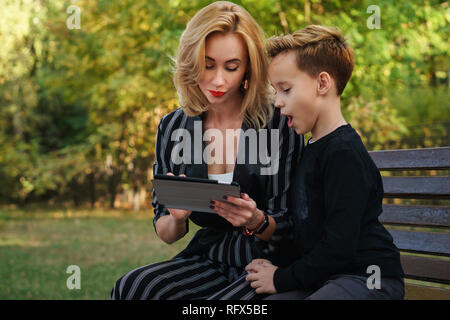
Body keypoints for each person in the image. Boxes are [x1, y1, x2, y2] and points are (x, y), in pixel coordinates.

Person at [110, 1, 301, 300]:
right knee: (133, 288)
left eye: (232, 67)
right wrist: (177, 217)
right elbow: (165, 231)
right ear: (190, 61)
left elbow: (291, 226)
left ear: (249, 67)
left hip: (265, 261)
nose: (218, 80)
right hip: (209, 256)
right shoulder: (173, 127)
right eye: (208, 65)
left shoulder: (277, 122)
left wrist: (256, 220)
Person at [245, 25, 405, 300]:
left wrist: (282, 278)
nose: (278, 103)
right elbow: (306, 230)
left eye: (285, 90)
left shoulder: (344, 153)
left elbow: (338, 246)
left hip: (368, 279)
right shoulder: (311, 150)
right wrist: (273, 262)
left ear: (322, 84)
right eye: (275, 92)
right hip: (327, 277)